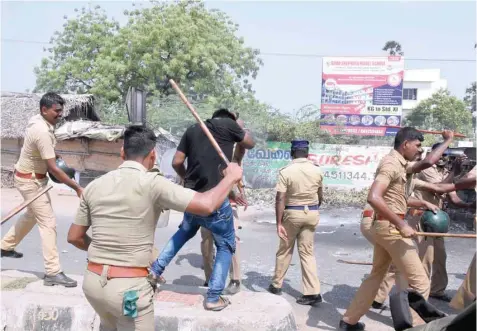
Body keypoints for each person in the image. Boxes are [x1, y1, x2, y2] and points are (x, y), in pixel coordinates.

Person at [67, 125, 244, 330]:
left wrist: (105, 256)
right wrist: (230, 177)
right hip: (129, 291)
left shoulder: (94, 185)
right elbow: (206, 204)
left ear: (122, 152)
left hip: (93, 285)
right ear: (153, 155)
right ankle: (214, 296)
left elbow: (74, 237)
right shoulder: (153, 183)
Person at [339, 127, 454, 330]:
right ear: (405, 144)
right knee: (420, 283)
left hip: (384, 227)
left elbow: (422, 165)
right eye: (417, 146)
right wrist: (447, 141)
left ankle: (349, 321)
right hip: (391, 229)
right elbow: (373, 197)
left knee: (376, 276)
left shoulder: (401, 164)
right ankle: (414, 327)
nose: (419, 150)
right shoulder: (391, 163)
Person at [150, 108, 255, 311]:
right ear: (229, 119)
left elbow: (177, 162)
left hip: (192, 198)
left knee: (182, 234)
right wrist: (240, 127)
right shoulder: (229, 124)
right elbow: (250, 142)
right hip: (215, 201)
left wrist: (187, 178)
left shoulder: (192, 130)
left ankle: (154, 271)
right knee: (226, 245)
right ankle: (214, 296)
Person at [1, 92, 83, 287]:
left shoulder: (40, 122)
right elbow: (53, 168)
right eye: (56, 111)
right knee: (48, 223)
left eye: (61, 110)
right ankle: (53, 272)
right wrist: (77, 188)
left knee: (31, 215)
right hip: (31, 181)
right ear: (44, 110)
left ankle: (5, 246)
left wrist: (55, 156)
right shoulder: (42, 131)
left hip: (30, 177)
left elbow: (49, 157)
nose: (60, 114)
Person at [409, 144, 474, 303]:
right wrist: (455, 172)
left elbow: (453, 197)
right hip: (422, 217)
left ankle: (436, 290)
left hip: (437, 219)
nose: (445, 159)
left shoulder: (444, 171)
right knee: (426, 257)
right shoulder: (426, 168)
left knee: (440, 257)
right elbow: (439, 188)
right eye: (442, 155)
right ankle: (420, 293)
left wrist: (468, 206)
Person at [267, 140, 324, 306]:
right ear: (307, 153)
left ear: (292, 152)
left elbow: (280, 198)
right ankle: (312, 292)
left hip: (292, 214)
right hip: (312, 213)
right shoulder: (317, 170)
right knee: (307, 253)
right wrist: (312, 209)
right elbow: (320, 195)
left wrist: (278, 222)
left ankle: (276, 285)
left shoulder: (287, 171)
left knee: (285, 249)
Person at [201, 122, 248, 295]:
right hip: (205, 205)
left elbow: (241, 150)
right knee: (207, 245)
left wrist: (240, 133)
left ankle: (235, 279)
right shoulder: (203, 153)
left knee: (231, 241)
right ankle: (210, 277)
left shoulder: (231, 156)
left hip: (227, 205)